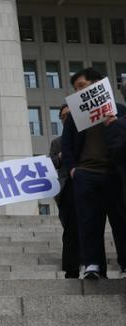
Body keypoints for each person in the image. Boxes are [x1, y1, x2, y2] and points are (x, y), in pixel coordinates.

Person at [61, 68, 126, 279]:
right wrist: (73, 170)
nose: (78, 92)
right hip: (85, 175)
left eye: (82, 87)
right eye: (76, 89)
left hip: (114, 175)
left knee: (121, 220)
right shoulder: (73, 117)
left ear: (97, 84)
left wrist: (116, 123)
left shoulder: (120, 111)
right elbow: (67, 146)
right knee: (89, 222)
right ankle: (93, 265)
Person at [49, 104, 80, 278]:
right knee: (69, 227)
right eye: (63, 116)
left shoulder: (84, 137)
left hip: (86, 185)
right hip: (66, 188)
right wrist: (60, 156)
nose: (67, 118)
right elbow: (50, 163)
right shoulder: (57, 142)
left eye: (70, 114)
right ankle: (71, 265)